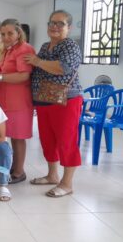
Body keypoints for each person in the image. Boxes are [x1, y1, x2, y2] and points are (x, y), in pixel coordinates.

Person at [23, 10, 83, 198]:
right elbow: (38, 69)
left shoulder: (70, 45)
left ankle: (67, 183)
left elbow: (62, 68)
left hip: (66, 101)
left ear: (69, 27)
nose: (55, 27)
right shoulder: (45, 45)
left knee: (66, 141)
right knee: (48, 140)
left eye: (60, 23)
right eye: (52, 23)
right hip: (44, 100)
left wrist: (37, 61)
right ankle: (52, 175)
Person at [0, 19, 35, 184]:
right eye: (3, 34)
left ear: (18, 33)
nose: (6, 37)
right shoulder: (7, 50)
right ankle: (10, 167)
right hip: (3, 101)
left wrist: (0, 77)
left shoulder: (24, 49)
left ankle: (19, 171)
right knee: (5, 135)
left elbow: (24, 75)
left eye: (10, 33)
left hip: (18, 102)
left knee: (18, 137)